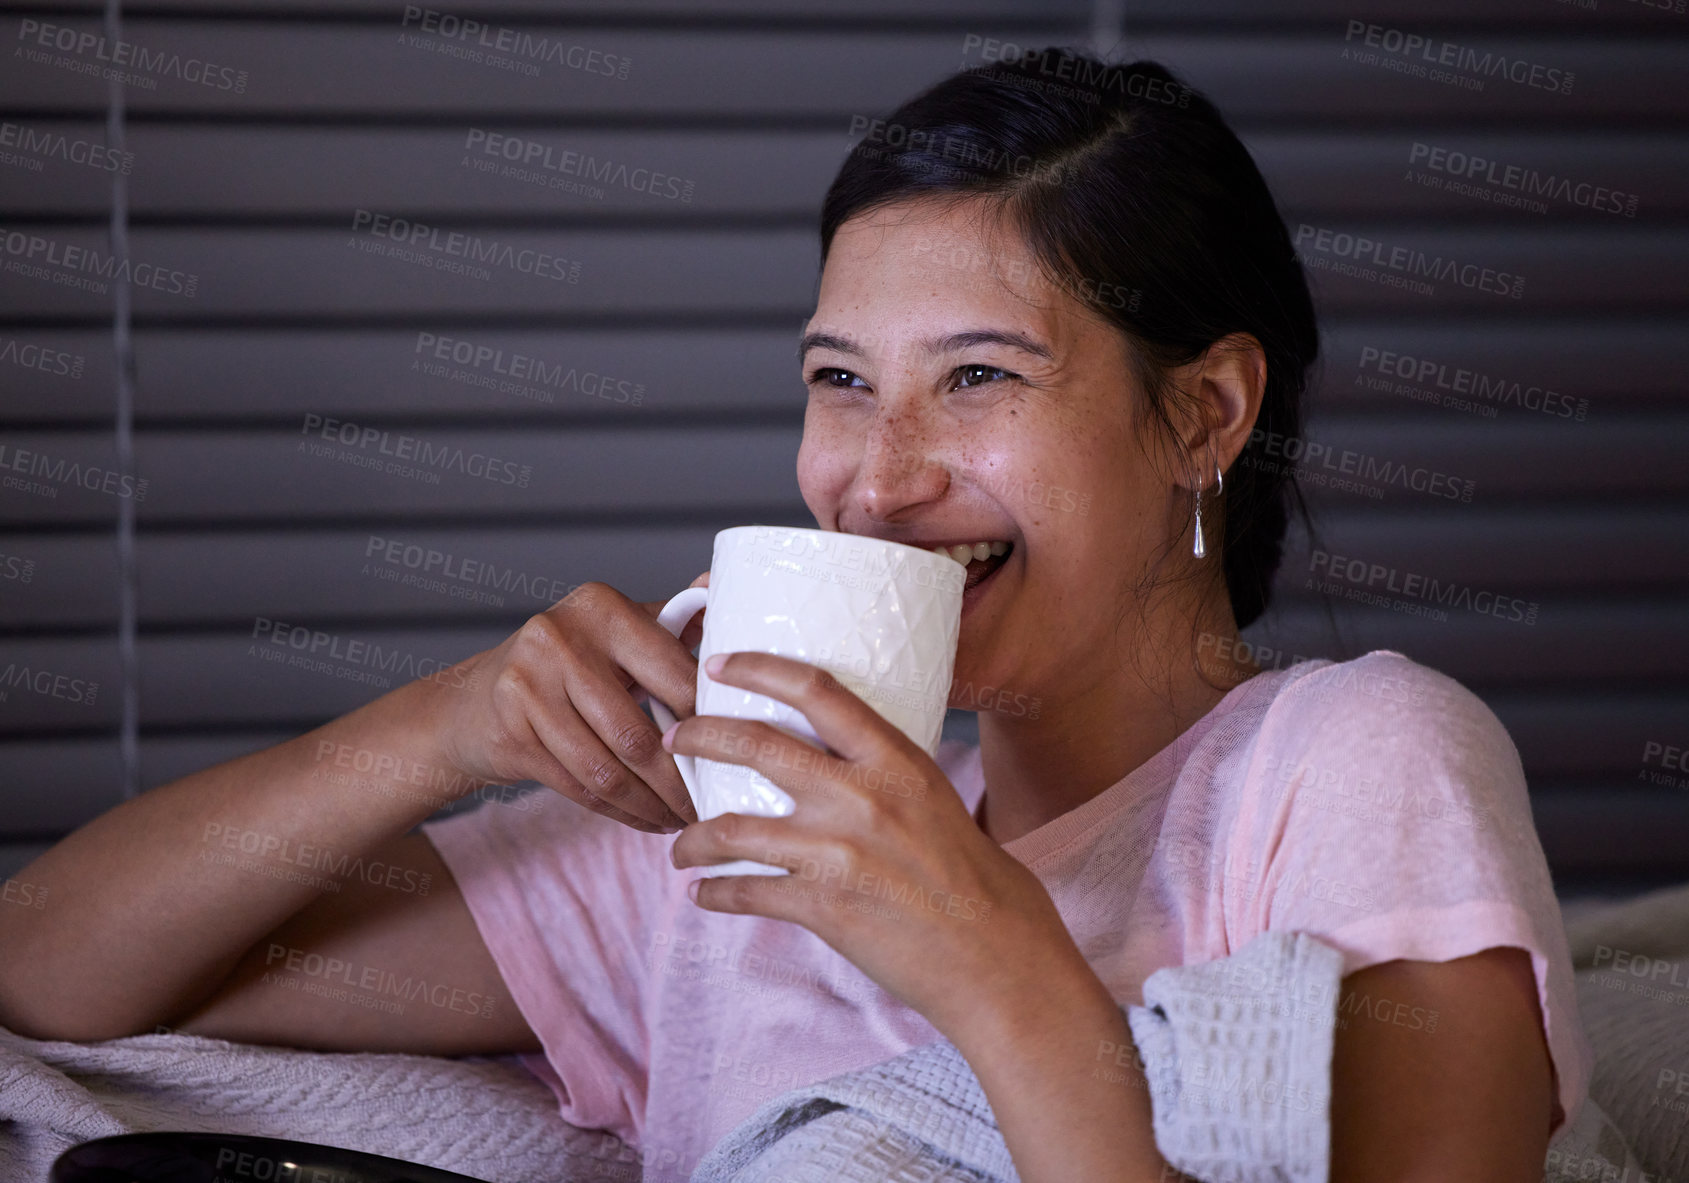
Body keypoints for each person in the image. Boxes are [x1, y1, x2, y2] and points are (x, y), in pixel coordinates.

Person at [0, 51, 1585, 1183]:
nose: (876, 481)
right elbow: (54, 979)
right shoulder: (727, 846)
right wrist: (444, 726)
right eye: (840, 383)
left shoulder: (1345, 759)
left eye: (978, 377)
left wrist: (993, 967)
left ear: (1204, 414)